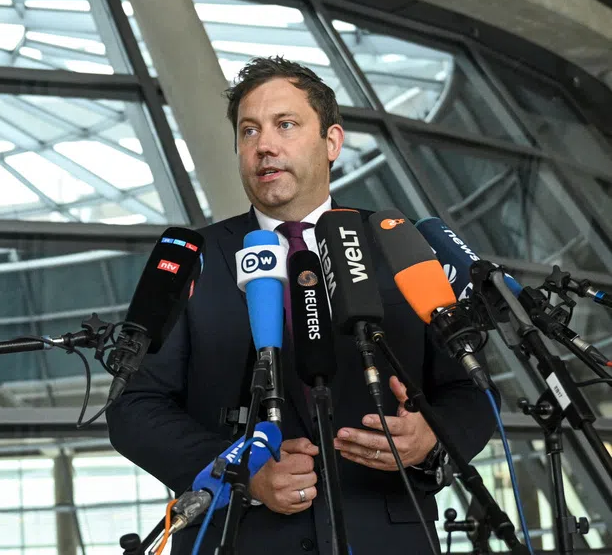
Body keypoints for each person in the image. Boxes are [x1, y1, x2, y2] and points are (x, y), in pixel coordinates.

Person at [107, 57, 495, 554]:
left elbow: (471, 389)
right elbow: (134, 407)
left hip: (388, 537)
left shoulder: (400, 246)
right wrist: (240, 472)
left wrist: (429, 440)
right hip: (238, 540)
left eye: (285, 125)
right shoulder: (193, 260)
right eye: (249, 132)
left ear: (332, 142)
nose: (265, 145)